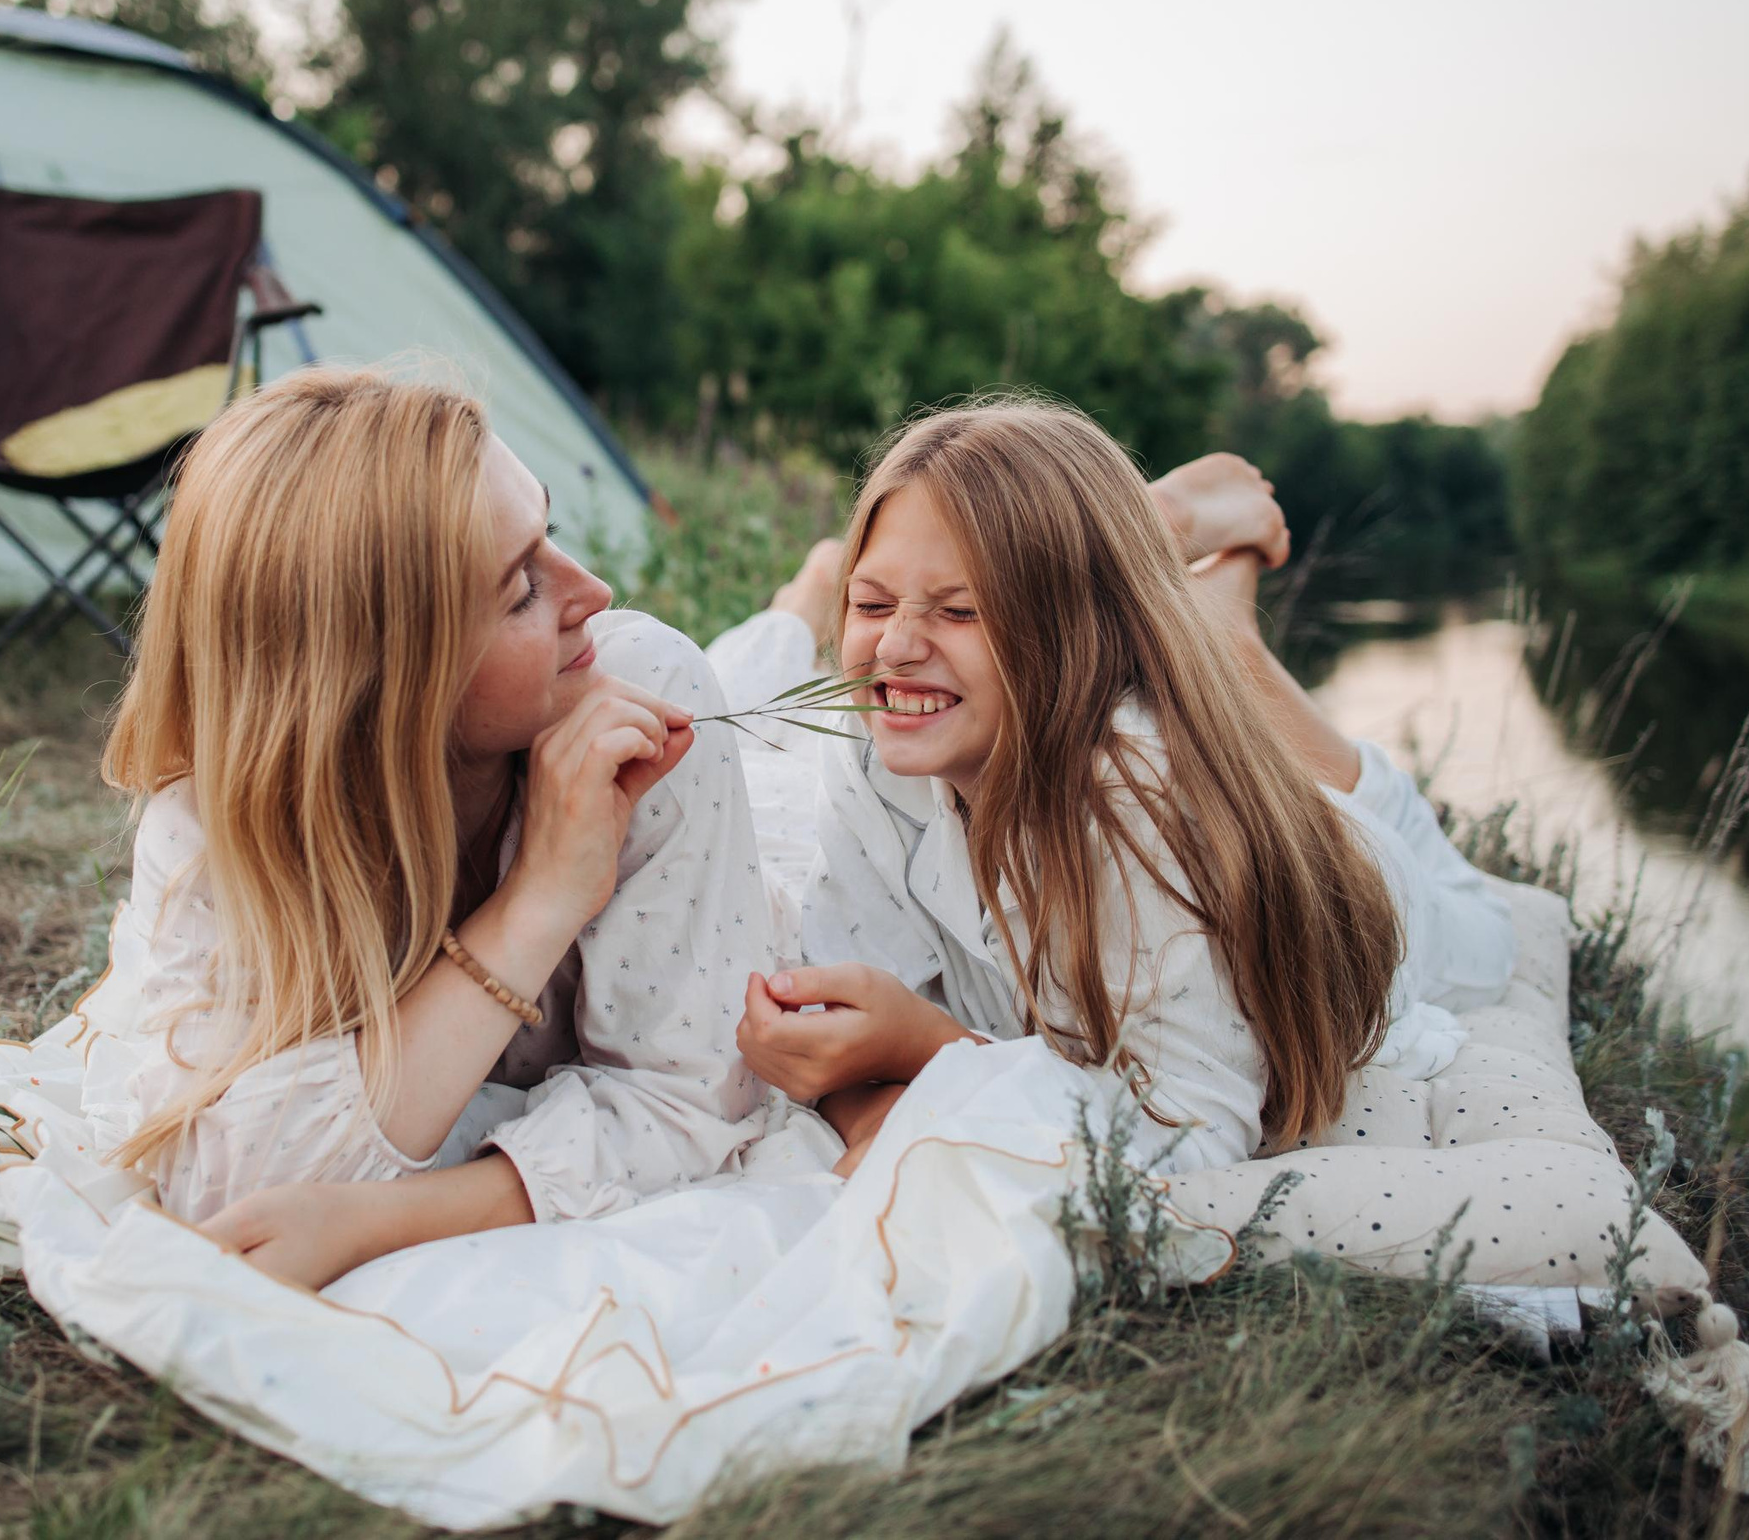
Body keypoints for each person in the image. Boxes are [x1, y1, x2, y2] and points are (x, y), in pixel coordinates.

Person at [82, 367, 779, 1289]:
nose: (594, 590)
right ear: (384, 683)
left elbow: (695, 1098)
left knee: (765, 714)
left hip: (755, 833)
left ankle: (794, 612)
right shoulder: (218, 811)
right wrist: (534, 903)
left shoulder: (640, 699)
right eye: (520, 589)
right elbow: (226, 1182)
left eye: (551, 534)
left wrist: (380, 1219)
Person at [716, 399, 1515, 1176]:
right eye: (869, 600)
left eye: (960, 610)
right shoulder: (866, 747)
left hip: (1369, 874)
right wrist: (858, 1094)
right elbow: (852, 1011)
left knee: (1487, 932)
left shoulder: (1143, 806)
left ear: (1077, 632)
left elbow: (1189, 1123)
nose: (891, 646)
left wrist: (925, 1050)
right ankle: (1161, 567)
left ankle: (1224, 642)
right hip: (1131, 719)